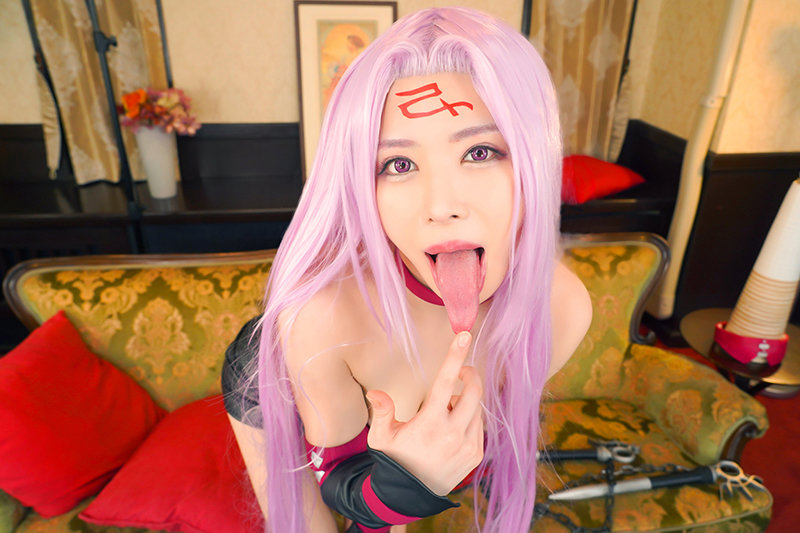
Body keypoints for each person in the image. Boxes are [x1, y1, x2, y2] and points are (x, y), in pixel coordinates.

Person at [222, 6, 592, 532]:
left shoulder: (563, 309)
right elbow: (342, 481)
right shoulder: (321, 319)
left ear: (535, 158)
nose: (442, 206)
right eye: (398, 165)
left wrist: (415, 476)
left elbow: (447, 440)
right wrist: (408, 482)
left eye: (480, 151)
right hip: (273, 380)